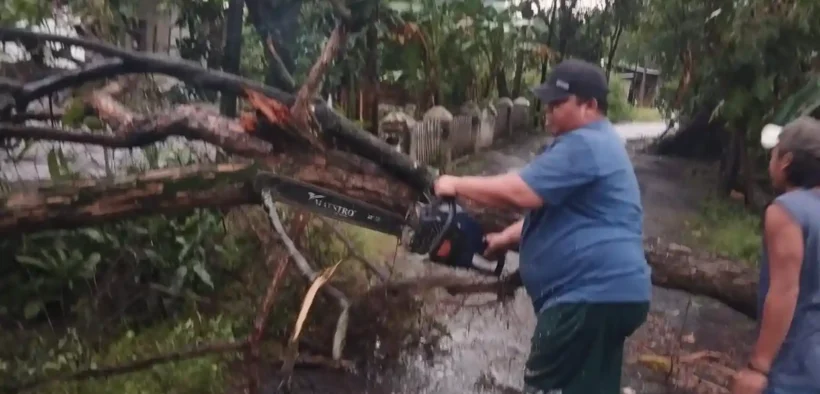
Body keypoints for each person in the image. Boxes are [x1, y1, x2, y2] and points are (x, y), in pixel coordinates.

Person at [433, 59, 651, 393]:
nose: (547, 110)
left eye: (558, 103)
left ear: (589, 105)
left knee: (546, 386)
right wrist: (507, 237)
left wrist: (456, 183)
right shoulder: (600, 144)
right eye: (547, 102)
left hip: (586, 298)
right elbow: (569, 215)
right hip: (611, 295)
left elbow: (521, 192)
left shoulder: (585, 144)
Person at [731, 117, 820, 394]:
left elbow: (785, 291)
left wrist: (759, 367)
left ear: (786, 161)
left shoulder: (786, 211)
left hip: (794, 366)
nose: (770, 159)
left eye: (774, 152)